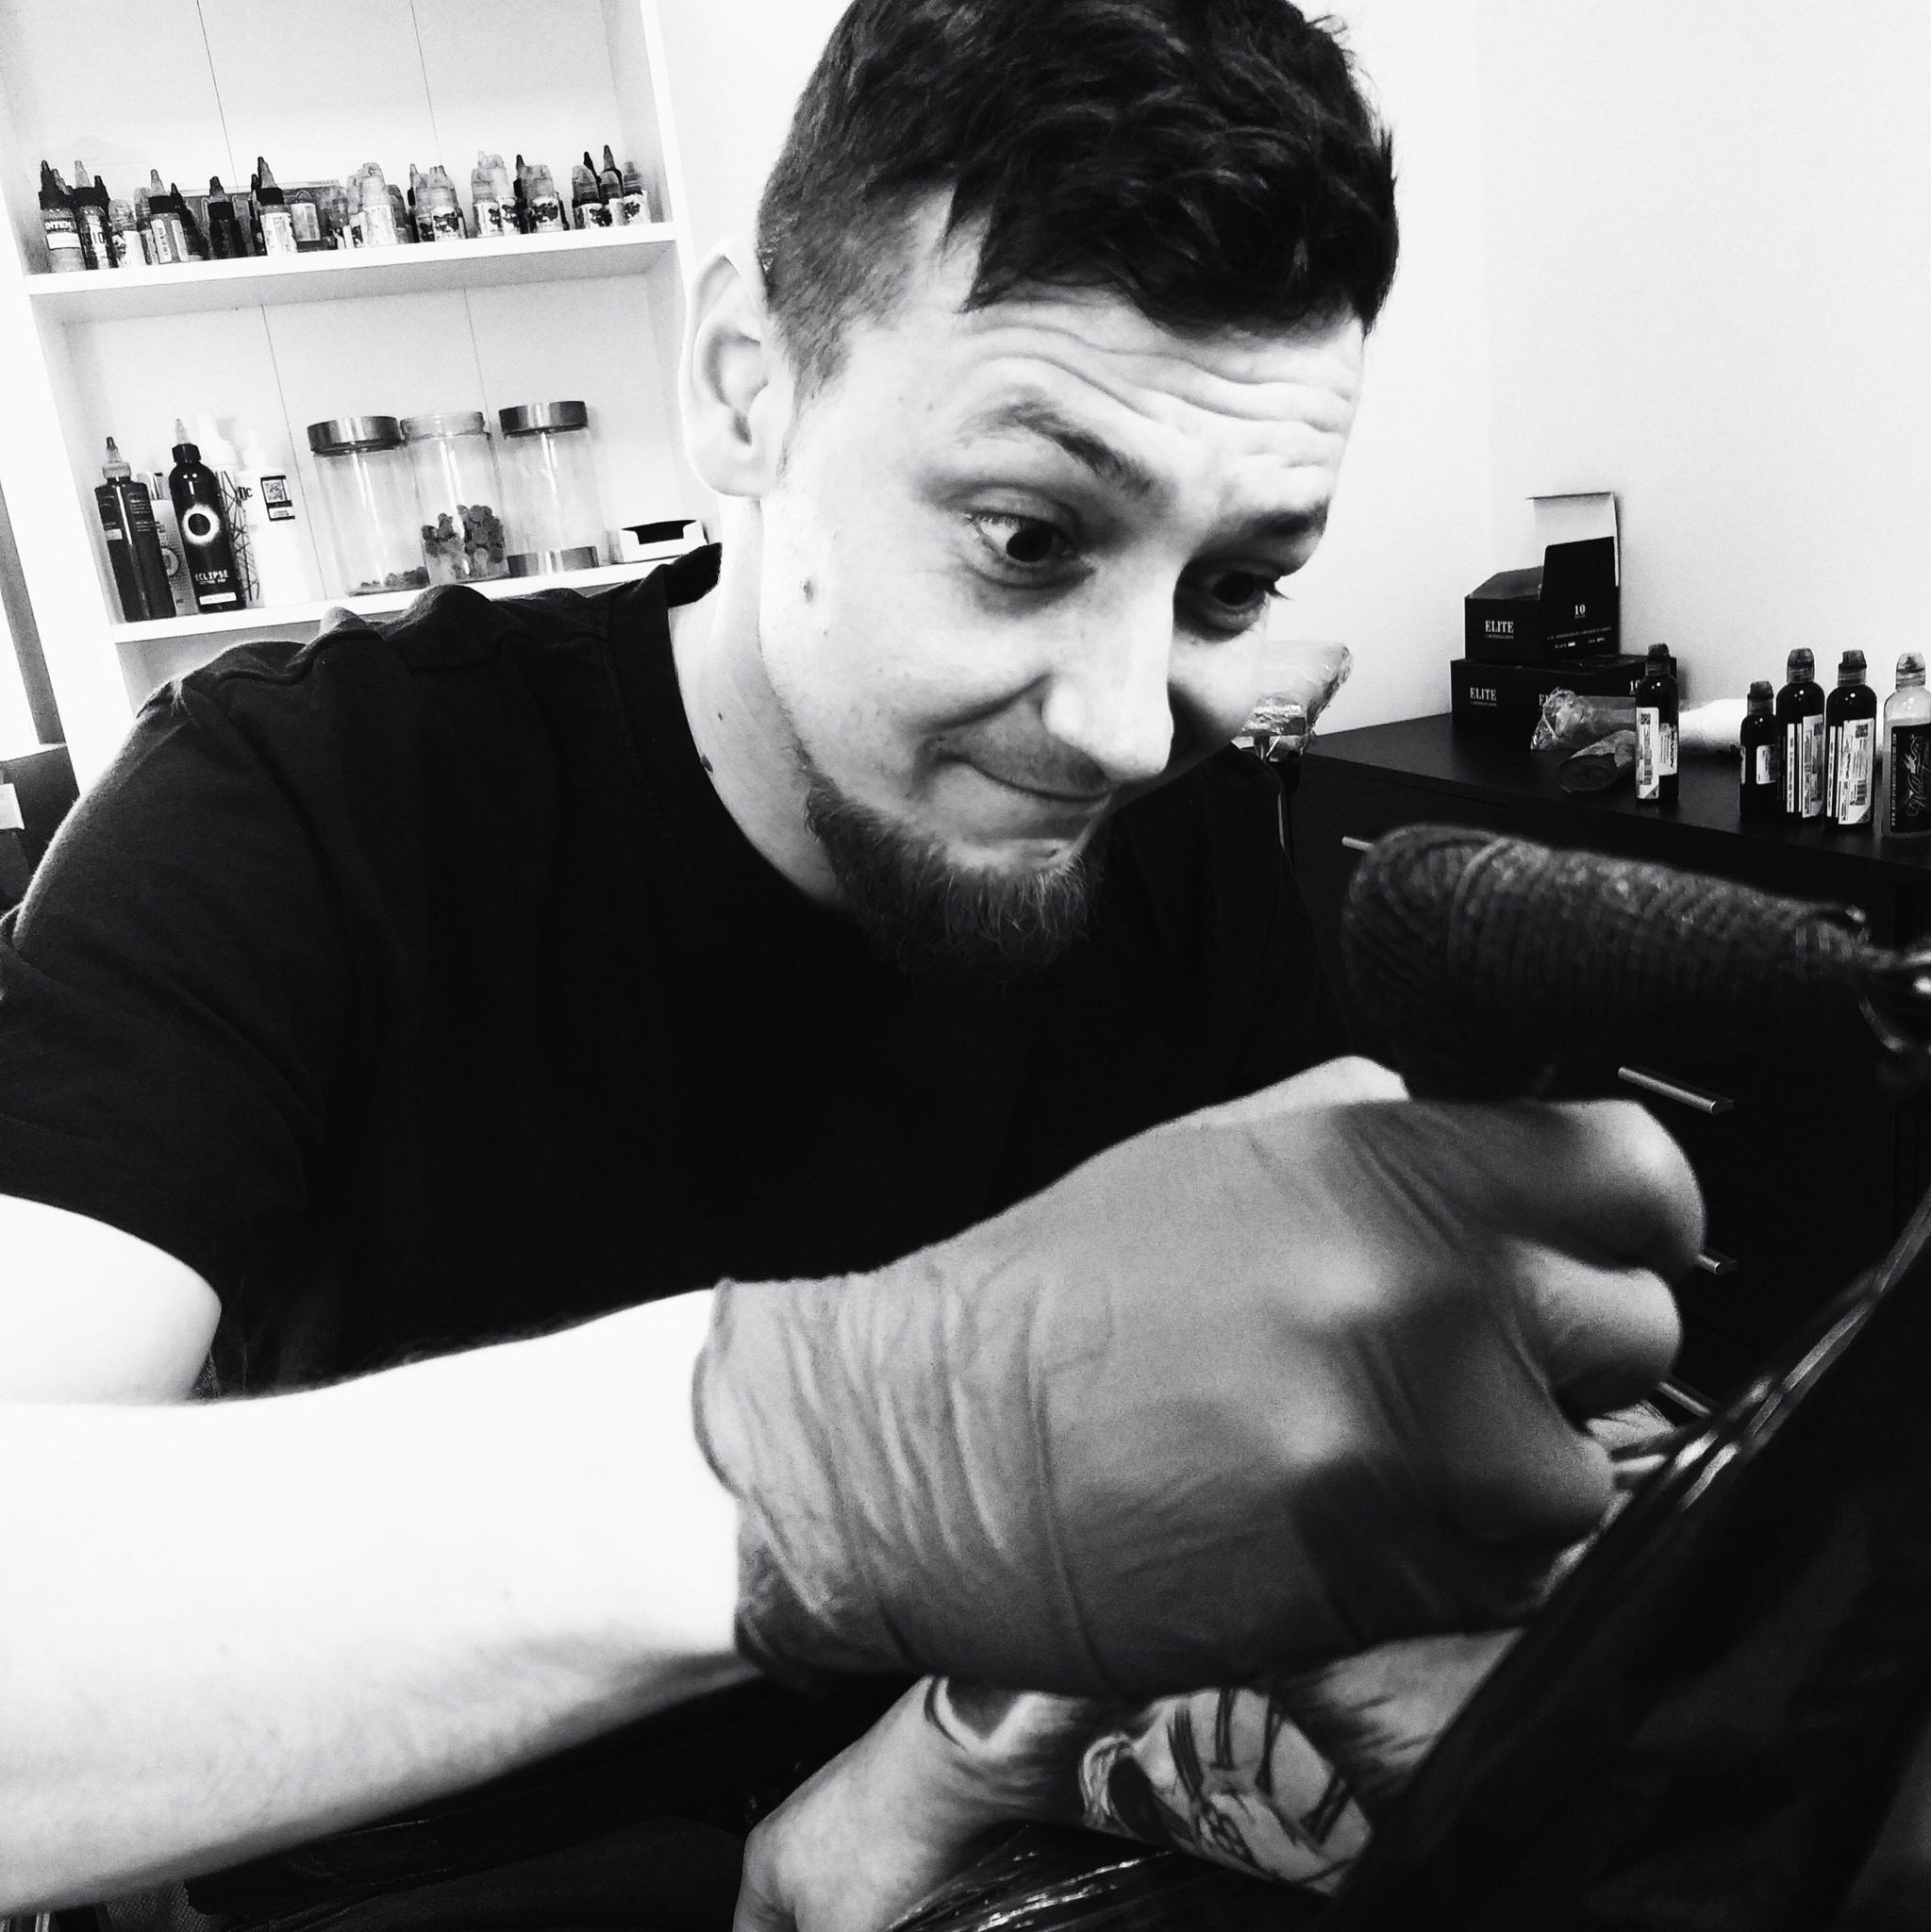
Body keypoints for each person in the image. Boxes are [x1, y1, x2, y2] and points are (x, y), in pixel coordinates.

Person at [0, 0, 1700, 1922]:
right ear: (748, 390)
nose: (1128, 722)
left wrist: (960, 1751)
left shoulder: (1170, 822)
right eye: (1027, 537)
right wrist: (844, 1450)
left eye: (1232, 585)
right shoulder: (296, 813)